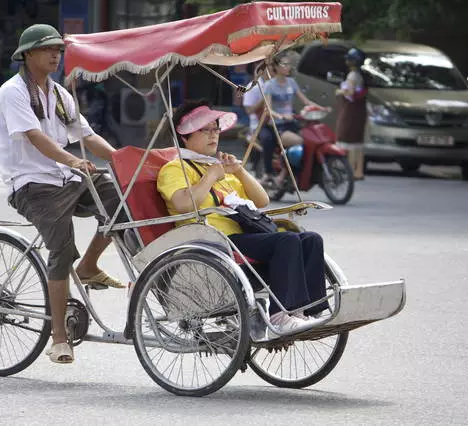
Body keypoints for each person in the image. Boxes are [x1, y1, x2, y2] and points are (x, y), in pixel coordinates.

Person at [0, 24, 125, 364]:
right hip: (31, 183)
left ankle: (90, 266)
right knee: (61, 248)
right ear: (28, 54)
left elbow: (87, 135)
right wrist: (71, 159)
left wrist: (124, 161)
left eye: (58, 50)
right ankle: (59, 338)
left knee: (120, 202)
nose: (55, 55)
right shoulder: (14, 92)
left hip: (67, 176)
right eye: (47, 49)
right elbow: (35, 137)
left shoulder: (60, 94)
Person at [157, 100, 329, 333]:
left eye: (216, 129)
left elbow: (261, 201)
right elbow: (185, 204)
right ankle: (281, 316)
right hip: (212, 241)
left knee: (310, 239)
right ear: (185, 136)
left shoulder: (217, 166)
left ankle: (310, 310)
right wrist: (209, 177)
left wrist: (238, 171)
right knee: (286, 241)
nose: (213, 135)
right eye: (204, 130)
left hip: (243, 240)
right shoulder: (175, 169)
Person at [261, 55, 328, 188]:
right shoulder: (269, 85)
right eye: (284, 64)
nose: (288, 67)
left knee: (310, 141)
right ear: (276, 67)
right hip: (277, 125)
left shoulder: (291, 82)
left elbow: (306, 101)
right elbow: (267, 109)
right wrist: (280, 116)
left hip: (292, 123)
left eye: (289, 64)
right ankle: (282, 175)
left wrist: (321, 108)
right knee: (299, 141)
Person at [335, 48, 368, 180]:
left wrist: (339, 92)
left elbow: (350, 92)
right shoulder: (360, 75)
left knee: (347, 138)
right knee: (357, 141)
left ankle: (351, 170)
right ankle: (358, 171)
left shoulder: (352, 76)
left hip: (350, 111)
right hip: (359, 110)